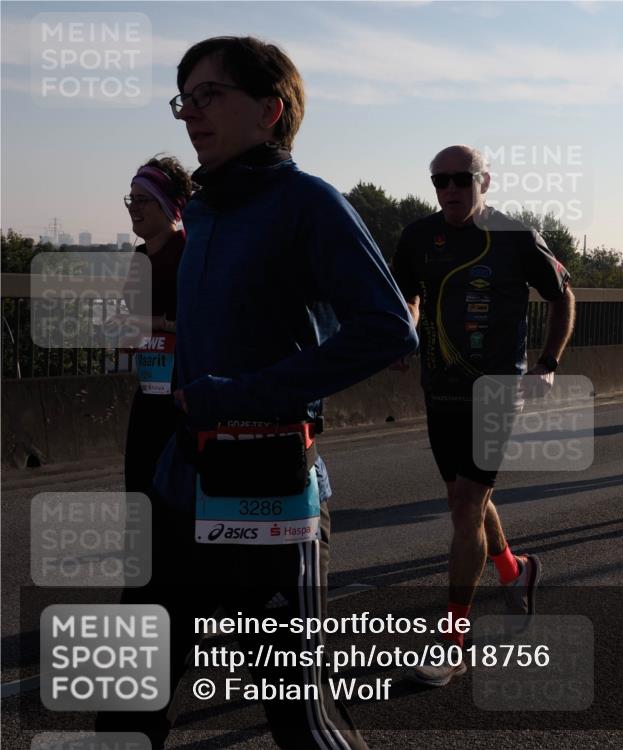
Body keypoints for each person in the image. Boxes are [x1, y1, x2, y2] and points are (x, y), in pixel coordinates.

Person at [97, 36, 417, 750]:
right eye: (184, 98)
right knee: (123, 696)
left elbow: (389, 330)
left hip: (266, 489)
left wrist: (246, 393)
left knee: (299, 720)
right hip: (179, 483)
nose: (190, 113)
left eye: (210, 95)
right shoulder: (204, 212)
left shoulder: (310, 203)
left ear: (271, 109)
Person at [392, 144, 574, 686]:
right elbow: (408, 296)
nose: (450, 189)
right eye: (439, 180)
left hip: (497, 390)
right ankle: (516, 572)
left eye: (461, 179)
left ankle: (454, 642)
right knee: (463, 498)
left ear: (484, 180)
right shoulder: (418, 237)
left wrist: (547, 364)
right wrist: (407, 328)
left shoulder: (516, 237)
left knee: (467, 504)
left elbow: (564, 297)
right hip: (440, 387)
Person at [122, 156, 192, 495]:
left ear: (167, 204)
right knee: (139, 491)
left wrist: (155, 324)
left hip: (184, 393)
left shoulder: (188, 253)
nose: (133, 207)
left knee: (175, 499)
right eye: (130, 199)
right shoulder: (138, 259)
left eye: (142, 199)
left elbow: (192, 323)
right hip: (149, 391)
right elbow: (129, 328)